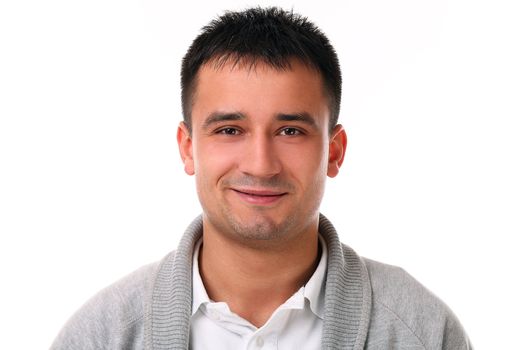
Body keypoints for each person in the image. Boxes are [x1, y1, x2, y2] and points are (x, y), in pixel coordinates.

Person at [51, 7, 472, 349]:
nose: (260, 164)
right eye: (229, 130)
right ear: (187, 147)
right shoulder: (101, 336)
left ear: (335, 152)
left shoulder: (422, 331)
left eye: (291, 131)